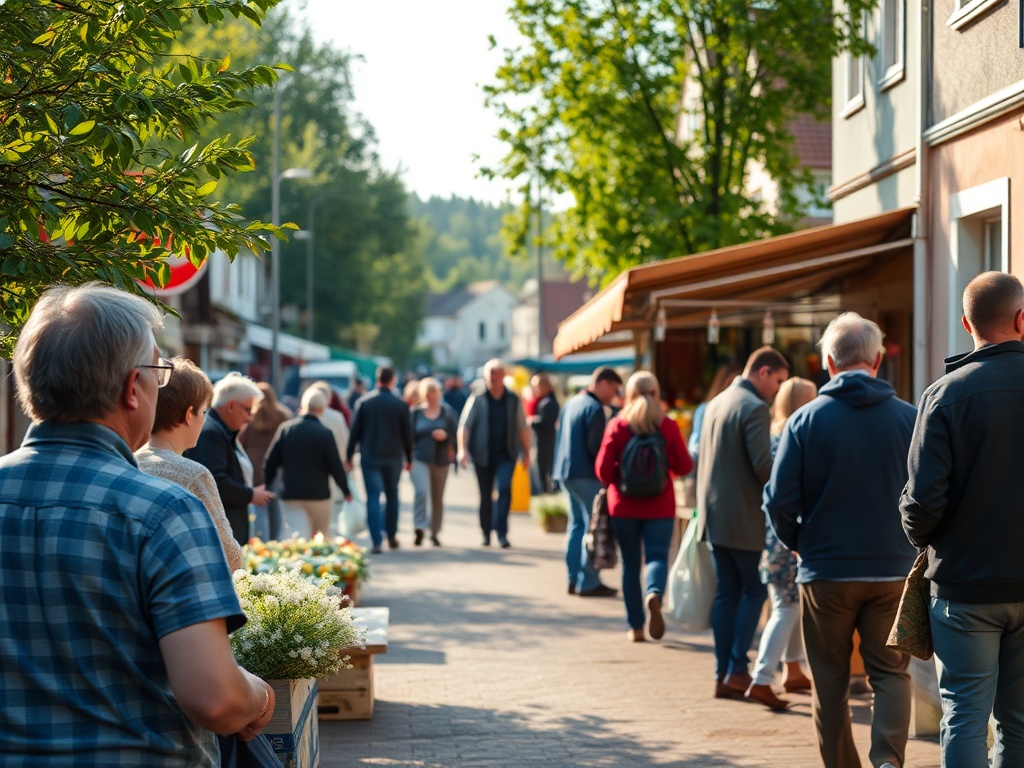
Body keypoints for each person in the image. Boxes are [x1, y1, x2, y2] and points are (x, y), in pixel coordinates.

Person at [0, 283, 273, 765]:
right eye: (159, 373)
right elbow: (216, 699)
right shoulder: (163, 512)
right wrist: (260, 696)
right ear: (132, 388)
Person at [765, 312, 916, 768]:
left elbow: (777, 501)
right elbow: (930, 493)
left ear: (827, 361)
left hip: (825, 570)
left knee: (828, 679)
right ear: (876, 360)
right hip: (893, 569)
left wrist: (799, 543)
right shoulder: (909, 419)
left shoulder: (804, 421)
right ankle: (888, 761)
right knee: (890, 673)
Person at [900, 271, 1024, 767]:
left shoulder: (944, 395)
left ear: (966, 323)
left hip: (965, 584)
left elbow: (921, 502)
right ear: (1021, 319)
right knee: (1019, 720)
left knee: (965, 716)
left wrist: (928, 540)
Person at [696, 346, 790, 699]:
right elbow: (764, 468)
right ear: (763, 372)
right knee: (752, 590)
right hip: (743, 517)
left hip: (715, 517)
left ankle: (724, 672)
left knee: (727, 593)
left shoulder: (718, 402)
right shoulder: (753, 407)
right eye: (778, 381)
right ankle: (737, 667)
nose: (778, 389)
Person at [595, 371, 693, 642]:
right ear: (656, 392)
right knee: (657, 557)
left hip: (623, 506)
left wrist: (620, 479)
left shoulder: (618, 425)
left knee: (629, 563)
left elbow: (603, 472)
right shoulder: (668, 425)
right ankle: (655, 593)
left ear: (629, 393)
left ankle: (636, 627)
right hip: (660, 505)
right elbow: (685, 466)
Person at [746, 377, 817, 710]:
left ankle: (792, 669)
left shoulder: (774, 435)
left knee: (790, 606)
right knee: (786, 608)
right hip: (787, 540)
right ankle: (761, 678)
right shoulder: (799, 436)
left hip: (774, 537)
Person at [136, 356, 244, 572]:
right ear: (188, 415)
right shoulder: (193, 475)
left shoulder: (129, 460)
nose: (204, 419)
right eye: (203, 412)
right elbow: (230, 558)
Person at [552, 366, 624, 597]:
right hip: (585, 474)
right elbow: (596, 449)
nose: (613, 396)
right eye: (613, 389)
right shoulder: (593, 409)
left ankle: (573, 578)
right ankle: (588, 581)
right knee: (591, 527)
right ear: (603, 383)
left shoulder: (573, 403)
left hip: (565, 472)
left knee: (577, 525)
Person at [185, 371, 273, 545]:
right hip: (221, 531)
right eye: (247, 410)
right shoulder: (212, 433)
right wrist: (251, 494)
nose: (249, 417)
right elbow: (217, 482)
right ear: (231, 405)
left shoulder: (220, 431)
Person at [458, 358, 532, 548]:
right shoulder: (478, 397)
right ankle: (485, 532)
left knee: (505, 489)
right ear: (485, 376)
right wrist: (462, 450)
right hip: (483, 455)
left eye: (497, 373)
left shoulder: (513, 399)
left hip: (506, 454)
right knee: (485, 495)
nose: (493, 377)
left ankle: (502, 533)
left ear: (503, 376)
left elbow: (522, 426)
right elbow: (465, 425)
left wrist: (526, 451)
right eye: (490, 373)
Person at [264, 387, 353, 537]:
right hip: (319, 495)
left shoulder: (286, 429)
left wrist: (266, 485)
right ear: (323, 408)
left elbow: (271, 462)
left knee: (297, 536)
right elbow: (335, 466)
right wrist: (346, 490)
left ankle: (298, 561)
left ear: (303, 405)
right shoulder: (325, 433)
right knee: (320, 538)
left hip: (291, 493)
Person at [346, 365, 413, 553]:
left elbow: (355, 432)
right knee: (392, 496)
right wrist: (409, 457)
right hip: (393, 457)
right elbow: (407, 434)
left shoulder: (364, 403)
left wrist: (349, 456)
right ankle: (391, 535)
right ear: (392, 380)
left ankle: (376, 540)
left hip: (370, 457)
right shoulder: (400, 405)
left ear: (377, 380)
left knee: (373, 498)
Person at [239, 381, 293, 540]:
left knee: (259, 506)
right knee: (275, 505)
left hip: (254, 467)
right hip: (277, 468)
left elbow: (241, 441)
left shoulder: (250, 416)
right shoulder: (283, 415)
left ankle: (261, 540)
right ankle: (275, 540)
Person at [409, 377, 457, 547]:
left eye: (434, 391)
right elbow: (408, 437)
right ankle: (419, 526)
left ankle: (435, 532)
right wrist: (406, 458)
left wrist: (446, 437)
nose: (431, 395)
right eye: (427, 392)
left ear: (439, 393)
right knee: (421, 491)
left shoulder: (447, 412)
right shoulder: (416, 413)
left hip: (441, 459)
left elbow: (455, 434)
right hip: (420, 458)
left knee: (438, 498)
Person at [308, 380, 351, 524]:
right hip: (334, 471)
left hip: (310, 473)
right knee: (330, 518)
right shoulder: (337, 417)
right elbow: (345, 442)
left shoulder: (301, 419)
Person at [529, 372, 560, 494]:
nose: (534, 389)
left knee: (544, 474)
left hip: (546, 443)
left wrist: (531, 421)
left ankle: (547, 495)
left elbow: (546, 422)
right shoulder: (544, 401)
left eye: (536, 386)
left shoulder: (549, 402)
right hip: (543, 442)